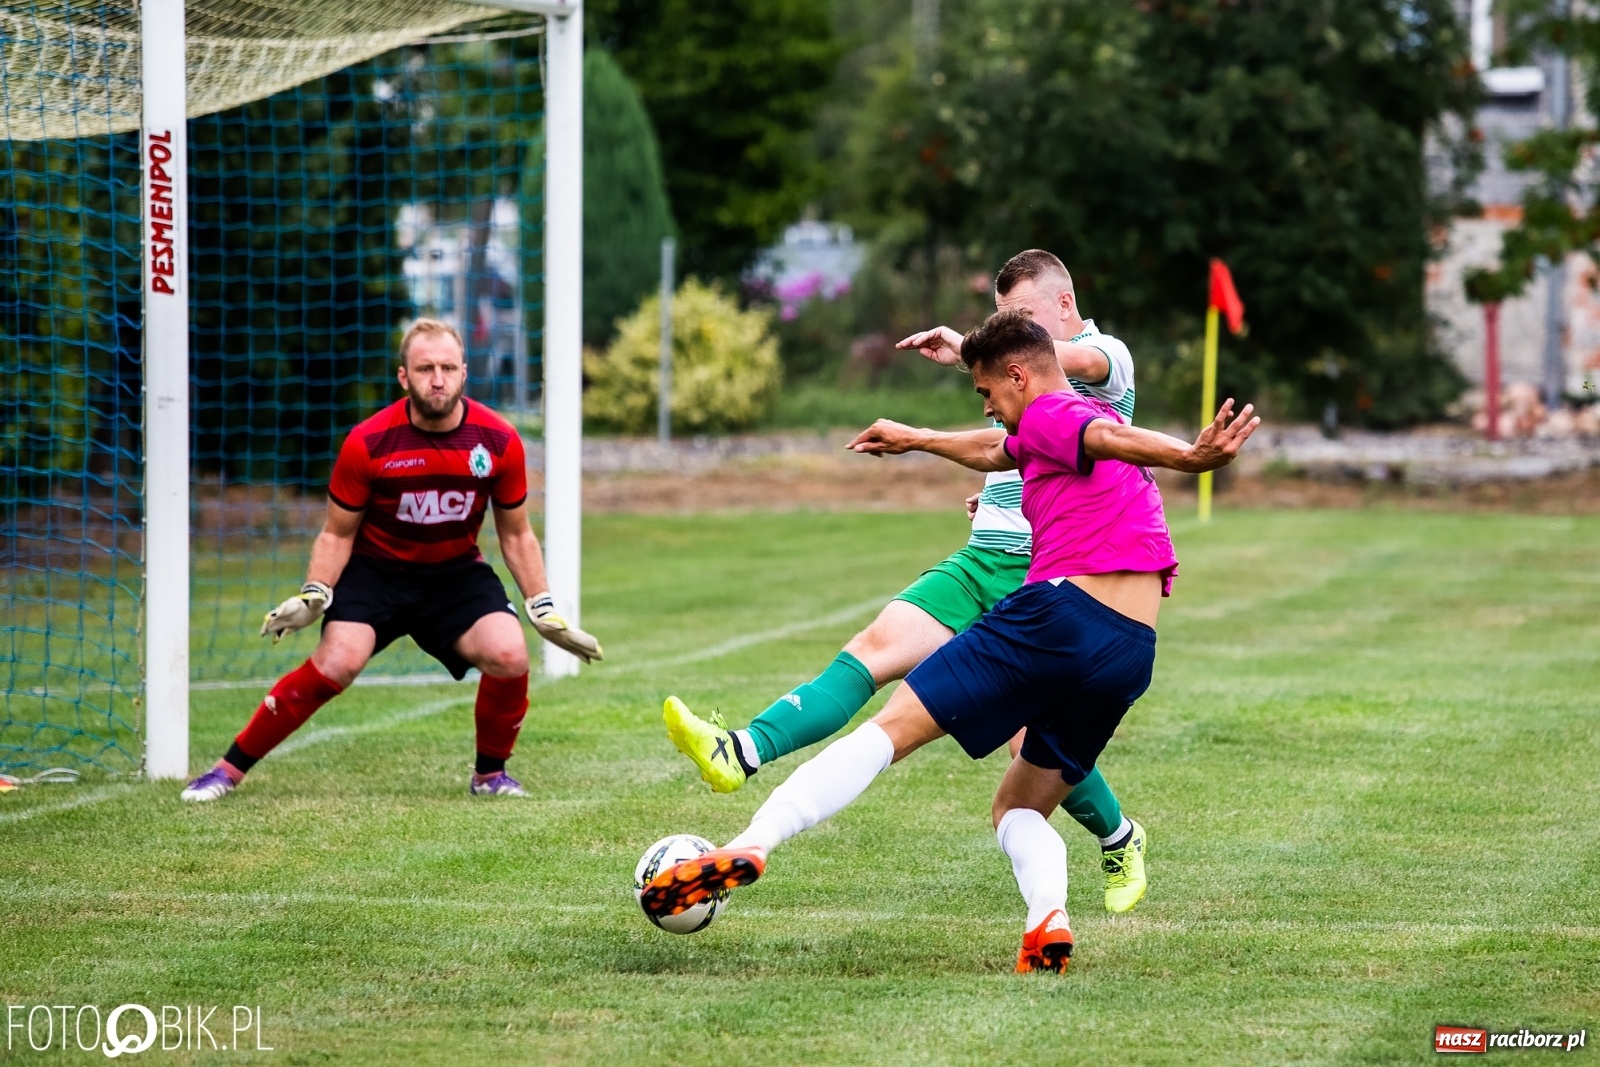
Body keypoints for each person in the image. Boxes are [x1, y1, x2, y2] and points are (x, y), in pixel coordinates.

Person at [641, 310, 1258, 972]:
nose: (989, 407)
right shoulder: (1037, 435)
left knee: (889, 729)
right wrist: (918, 438)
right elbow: (996, 451)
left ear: (1020, 375)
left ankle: (752, 842)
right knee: (1017, 806)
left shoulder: (1058, 412)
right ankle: (1047, 919)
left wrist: (1190, 458)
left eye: (988, 392)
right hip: (1130, 650)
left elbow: (1107, 433)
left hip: (1058, 615)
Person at [661, 249, 1151, 913]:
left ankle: (1119, 835)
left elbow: (1067, 374)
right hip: (981, 557)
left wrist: (976, 348)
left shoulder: (1102, 354)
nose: (1019, 332)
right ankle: (741, 749)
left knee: (1026, 742)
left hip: (1048, 580)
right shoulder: (1011, 376)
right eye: (1005, 319)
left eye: (1025, 318)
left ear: (1065, 306)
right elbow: (1005, 450)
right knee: (874, 647)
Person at [180, 318, 602, 802]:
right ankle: (227, 770)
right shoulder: (369, 441)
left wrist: (541, 605)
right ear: (404, 377)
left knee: (509, 654)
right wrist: (315, 593)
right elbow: (337, 533)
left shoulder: (499, 440)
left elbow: (517, 533)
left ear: (465, 373)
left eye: (447, 368)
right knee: (337, 662)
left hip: (455, 574)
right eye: (425, 368)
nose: (437, 379)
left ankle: (490, 776)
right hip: (376, 574)